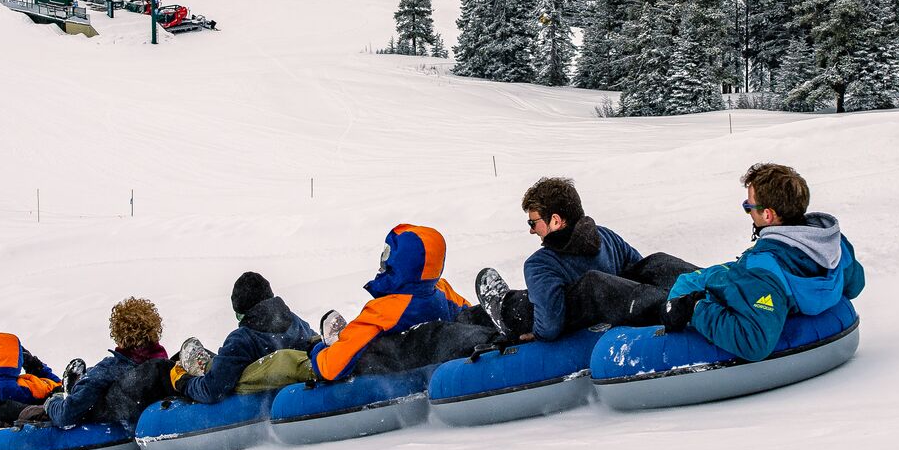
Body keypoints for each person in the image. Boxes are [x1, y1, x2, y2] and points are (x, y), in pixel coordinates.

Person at [662, 163, 866, 363]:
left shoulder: (762, 268)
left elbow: (754, 343)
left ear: (767, 215)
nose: (748, 211)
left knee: (667, 279)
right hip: (743, 282)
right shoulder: (832, 245)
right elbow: (855, 285)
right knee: (662, 265)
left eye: (748, 206)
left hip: (699, 294)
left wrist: (695, 308)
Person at [471, 177, 697, 342]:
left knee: (524, 303)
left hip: (595, 320)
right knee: (654, 263)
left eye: (533, 222)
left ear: (556, 221)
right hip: (628, 307)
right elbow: (638, 275)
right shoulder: (606, 236)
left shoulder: (540, 264)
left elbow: (550, 325)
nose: (532, 230)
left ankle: (503, 311)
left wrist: (536, 336)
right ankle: (702, 287)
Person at [309, 224, 493, 381]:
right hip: (433, 356)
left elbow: (332, 367)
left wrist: (318, 351)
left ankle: (332, 343)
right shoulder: (443, 291)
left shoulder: (386, 309)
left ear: (400, 262)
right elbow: (465, 316)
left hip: (388, 366)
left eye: (388, 253)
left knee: (346, 349)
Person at [172, 272, 318, 404]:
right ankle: (209, 365)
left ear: (243, 311)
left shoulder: (242, 339)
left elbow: (212, 391)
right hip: (303, 387)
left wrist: (184, 382)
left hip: (258, 397)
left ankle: (204, 368)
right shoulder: (298, 324)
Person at [34, 297, 174, 432]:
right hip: (137, 401)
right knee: (92, 374)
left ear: (119, 335)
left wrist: (51, 403)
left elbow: (66, 416)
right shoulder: (164, 365)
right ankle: (79, 382)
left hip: (100, 408)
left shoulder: (110, 369)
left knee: (88, 383)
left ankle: (72, 389)